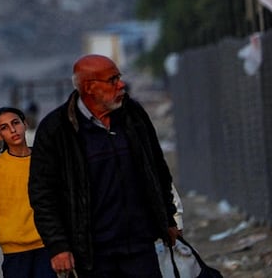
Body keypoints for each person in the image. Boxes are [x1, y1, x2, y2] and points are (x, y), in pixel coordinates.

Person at [28, 54, 179, 277]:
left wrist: (168, 217)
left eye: (119, 77)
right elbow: (43, 194)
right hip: (93, 254)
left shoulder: (132, 115)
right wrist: (58, 246)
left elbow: (156, 167)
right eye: (112, 79)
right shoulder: (56, 130)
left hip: (140, 244)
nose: (121, 84)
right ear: (89, 87)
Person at [0, 107, 55, 278]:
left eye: (15, 123)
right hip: (14, 252)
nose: (12, 130)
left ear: (25, 124)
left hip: (48, 247)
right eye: (4, 127)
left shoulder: (46, 160)